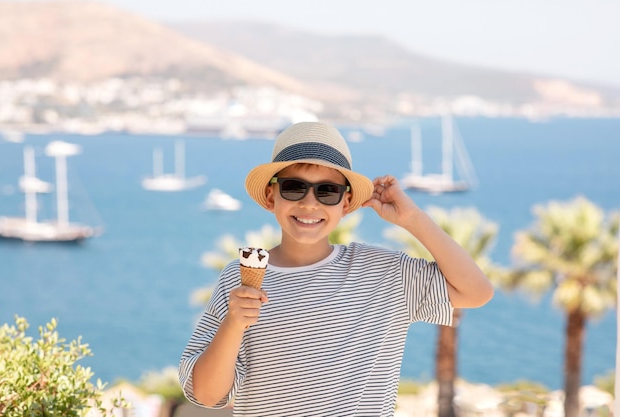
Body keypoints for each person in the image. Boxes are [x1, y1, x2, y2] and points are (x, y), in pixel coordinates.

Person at [179, 121, 494, 416]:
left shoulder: (386, 273)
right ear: (270, 195)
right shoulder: (237, 278)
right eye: (293, 187)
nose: (309, 203)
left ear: (345, 203)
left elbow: (477, 292)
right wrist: (234, 324)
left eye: (326, 191)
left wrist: (411, 218)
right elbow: (207, 394)